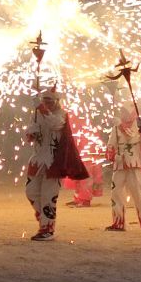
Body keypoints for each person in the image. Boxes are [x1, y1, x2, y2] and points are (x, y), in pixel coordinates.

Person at [24, 88, 89, 241]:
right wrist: (30, 132)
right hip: (37, 160)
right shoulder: (37, 114)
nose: (47, 104)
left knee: (48, 197)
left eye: (50, 101)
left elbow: (55, 124)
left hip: (54, 162)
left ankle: (48, 228)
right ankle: (43, 219)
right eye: (44, 100)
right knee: (31, 192)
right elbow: (30, 136)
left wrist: (41, 108)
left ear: (57, 102)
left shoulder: (62, 115)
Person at [105, 100, 141, 232]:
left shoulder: (139, 129)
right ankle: (118, 223)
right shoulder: (116, 128)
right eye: (123, 112)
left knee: (139, 194)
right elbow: (110, 147)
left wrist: (136, 159)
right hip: (119, 166)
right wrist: (115, 157)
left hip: (134, 166)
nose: (124, 114)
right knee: (116, 194)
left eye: (127, 112)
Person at [64, 112, 105, 208]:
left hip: (87, 154)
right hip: (79, 153)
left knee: (85, 177)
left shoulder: (85, 125)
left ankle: (85, 199)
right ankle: (78, 198)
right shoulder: (74, 123)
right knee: (78, 177)